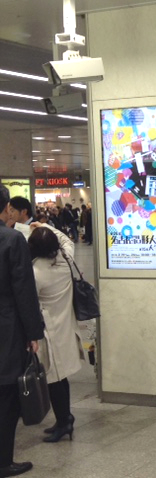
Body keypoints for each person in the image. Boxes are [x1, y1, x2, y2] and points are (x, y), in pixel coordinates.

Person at [0, 185, 44, 477]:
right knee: (6, 398)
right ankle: (4, 462)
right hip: (7, 329)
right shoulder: (12, 240)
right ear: (5, 207)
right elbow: (23, 291)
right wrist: (34, 332)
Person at [28, 223, 85, 443]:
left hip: (49, 330)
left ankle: (64, 422)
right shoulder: (66, 259)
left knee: (54, 378)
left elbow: (29, 302)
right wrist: (43, 225)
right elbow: (67, 240)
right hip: (65, 326)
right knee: (61, 378)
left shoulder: (35, 272)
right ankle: (64, 418)